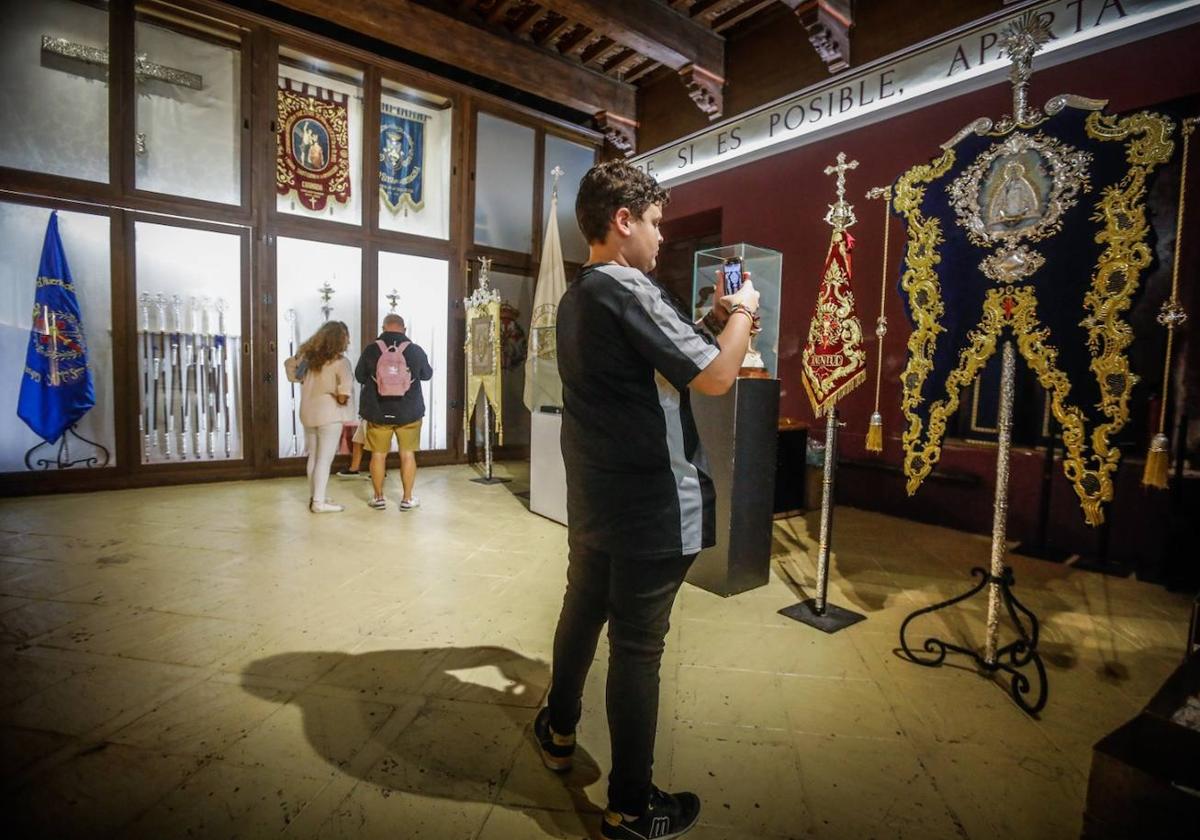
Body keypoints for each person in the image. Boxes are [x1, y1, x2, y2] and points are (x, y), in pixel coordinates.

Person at [534, 160, 759, 840]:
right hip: (652, 502)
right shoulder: (628, 287)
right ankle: (632, 807)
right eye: (656, 223)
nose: (662, 239)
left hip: (600, 495)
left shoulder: (581, 294)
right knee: (638, 647)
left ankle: (558, 727)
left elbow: (643, 364)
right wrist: (743, 313)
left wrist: (705, 320)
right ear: (623, 220)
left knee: (583, 608)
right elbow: (718, 376)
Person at [354, 313, 433, 510]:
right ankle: (407, 499)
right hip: (409, 412)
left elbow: (359, 376)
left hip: (377, 411)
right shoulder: (415, 350)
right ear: (404, 329)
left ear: (383, 328)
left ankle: (379, 498)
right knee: (407, 455)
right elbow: (427, 375)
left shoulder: (372, 349)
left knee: (378, 455)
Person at [292, 320, 355, 513]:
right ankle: (319, 502)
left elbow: (295, 375)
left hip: (308, 411)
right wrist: (334, 393)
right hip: (329, 414)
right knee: (324, 459)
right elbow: (344, 396)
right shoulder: (341, 363)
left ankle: (315, 496)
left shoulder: (306, 358)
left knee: (314, 456)